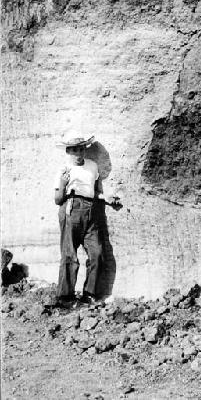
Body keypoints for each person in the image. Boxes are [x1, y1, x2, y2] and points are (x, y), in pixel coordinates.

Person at [53, 130, 121, 306]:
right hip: (71, 208)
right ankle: (65, 297)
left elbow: (96, 191)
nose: (78, 153)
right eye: (74, 150)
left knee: (97, 253)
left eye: (81, 149)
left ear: (85, 150)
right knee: (69, 255)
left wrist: (105, 197)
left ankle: (89, 294)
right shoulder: (64, 170)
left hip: (92, 210)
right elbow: (57, 200)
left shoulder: (92, 166)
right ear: (68, 151)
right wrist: (62, 183)